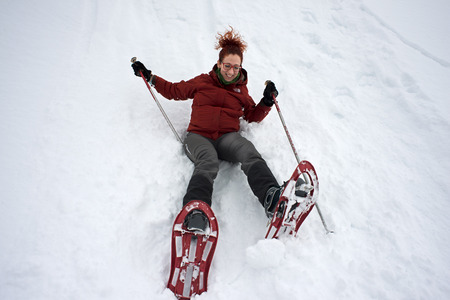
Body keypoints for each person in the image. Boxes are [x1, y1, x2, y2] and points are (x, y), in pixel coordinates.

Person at [132, 27, 305, 231]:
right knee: (208, 162)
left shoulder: (241, 90)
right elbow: (174, 91)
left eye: (236, 67)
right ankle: (194, 211)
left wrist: (266, 102)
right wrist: (150, 76)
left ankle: (272, 198)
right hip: (198, 137)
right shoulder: (203, 82)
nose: (231, 71)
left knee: (248, 151)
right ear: (219, 64)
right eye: (227, 66)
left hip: (226, 138)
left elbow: (252, 115)